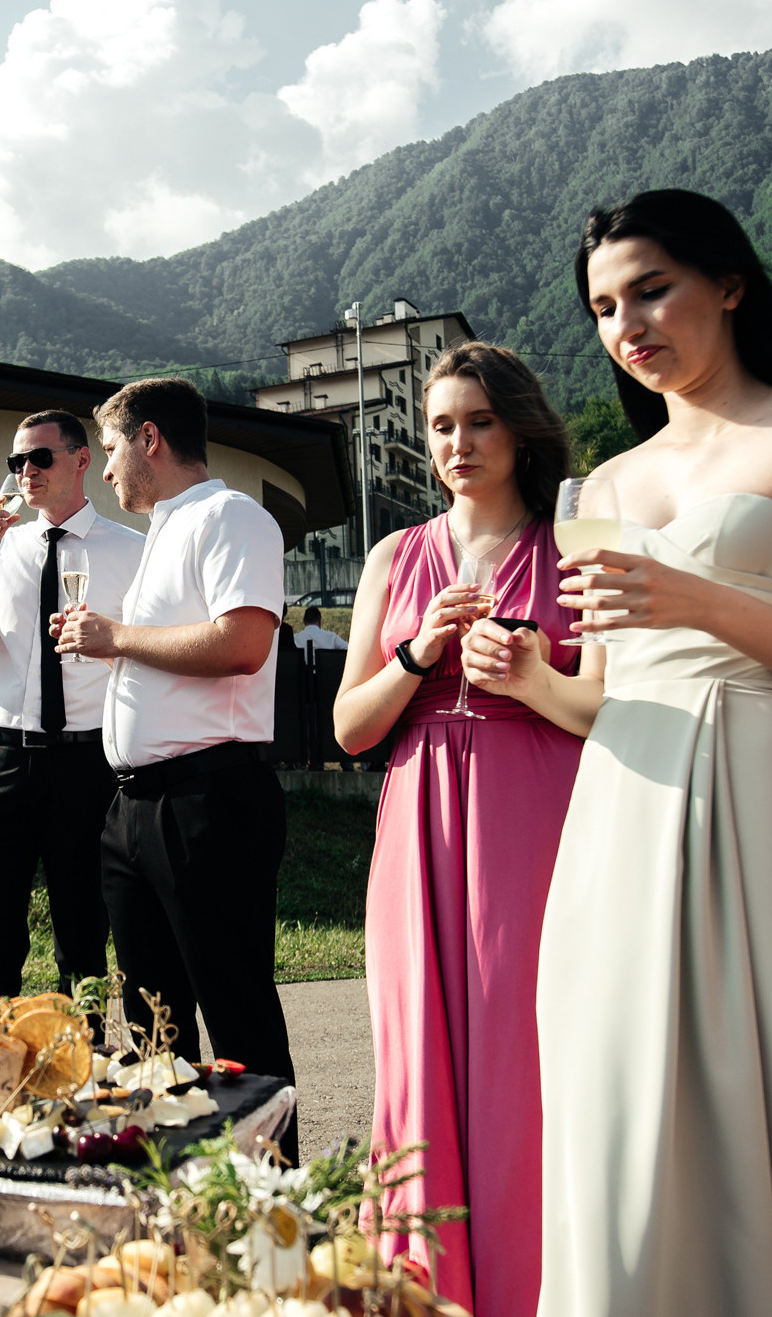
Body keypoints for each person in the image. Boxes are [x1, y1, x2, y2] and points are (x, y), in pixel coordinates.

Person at [457, 191, 772, 1317]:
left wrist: (706, 604)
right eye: (605, 308)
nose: (628, 325)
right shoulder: (606, 485)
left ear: (731, 284)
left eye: (651, 290)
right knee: (627, 1100)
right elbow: (601, 697)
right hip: (623, 815)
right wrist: (529, 677)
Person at [330, 343, 585, 1317]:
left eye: (480, 421)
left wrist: (530, 674)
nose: (459, 443)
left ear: (520, 429)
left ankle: (534, 1286)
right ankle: (424, 1287)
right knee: (415, 1048)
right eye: (441, 425)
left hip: (536, 811)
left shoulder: (572, 545)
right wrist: (416, 652)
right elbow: (350, 728)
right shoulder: (394, 556)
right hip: (417, 819)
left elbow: (609, 708)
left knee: (523, 1050)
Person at [55, 377, 293, 1106]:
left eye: (110, 449)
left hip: (208, 801)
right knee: (154, 1029)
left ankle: (269, 1174)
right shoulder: (163, 533)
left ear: (150, 438)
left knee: (236, 1015)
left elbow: (243, 643)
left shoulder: (231, 515)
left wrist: (116, 638)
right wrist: (110, 649)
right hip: (136, 809)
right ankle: (177, 1170)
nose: (105, 469)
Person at [0, 410, 142, 996]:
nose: (26, 470)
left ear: (82, 459)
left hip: (87, 762)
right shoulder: (0, 550)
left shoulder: (132, 551)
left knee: (83, 936)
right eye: (17, 461)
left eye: (40, 457)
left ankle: (80, 1048)